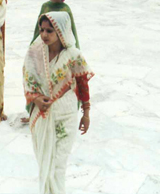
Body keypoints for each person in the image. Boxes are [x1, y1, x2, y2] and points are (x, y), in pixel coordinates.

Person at [23, 11, 94, 194]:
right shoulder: (35, 51)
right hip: (42, 115)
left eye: (49, 31)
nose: (44, 35)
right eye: (42, 30)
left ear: (61, 31)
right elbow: (28, 80)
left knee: (57, 166)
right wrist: (36, 99)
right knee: (44, 164)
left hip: (66, 114)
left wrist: (86, 113)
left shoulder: (73, 55)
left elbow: (83, 85)